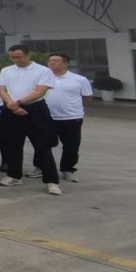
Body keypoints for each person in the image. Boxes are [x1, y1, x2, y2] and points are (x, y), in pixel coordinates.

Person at [0, 45, 62, 196]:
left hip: (35, 110)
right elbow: (2, 90)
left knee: (43, 146)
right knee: (13, 145)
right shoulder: (6, 70)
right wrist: (12, 105)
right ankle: (14, 175)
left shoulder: (42, 71)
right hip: (12, 109)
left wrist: (19, 103)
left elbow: (40, 92)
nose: (16, 60)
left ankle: (52, 181)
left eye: (19, 57)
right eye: (13, 57)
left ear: (28, 55)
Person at [38, 53, 92, 183]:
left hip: (71, 117)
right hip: (48, 117)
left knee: (71, 146)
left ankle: (68, 169)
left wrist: (76, 108)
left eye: (56, 61)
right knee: (43, 144)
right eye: (50, 60)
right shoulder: (43, 79)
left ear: (66, 64)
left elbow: (87, 97)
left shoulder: (79, 79)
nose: (51, 63)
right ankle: (41, 167)